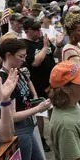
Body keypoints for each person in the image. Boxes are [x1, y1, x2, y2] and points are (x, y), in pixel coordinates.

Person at [0, 38, 56, 160]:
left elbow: (28, 85)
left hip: (28, 125)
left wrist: (36, 99)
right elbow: (12, 115)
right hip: (20, 129)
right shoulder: (3, 78)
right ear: (8, 55)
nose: (24, 60)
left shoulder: (17, 71)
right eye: (20, 56)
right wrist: (38, 109)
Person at [22, 17, 58, 151]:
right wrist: (44, 47)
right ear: (27, 31)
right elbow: (35, 62)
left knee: (54, 109)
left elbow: (54, 53)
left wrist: (58, 45)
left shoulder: (44, 40)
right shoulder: (25, 45)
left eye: (39, 28)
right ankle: (42, 139)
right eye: (35, 29)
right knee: (40, 113)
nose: (39, 31)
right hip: (37, 84)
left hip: (52, 82)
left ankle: (56, 136)